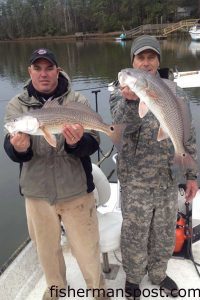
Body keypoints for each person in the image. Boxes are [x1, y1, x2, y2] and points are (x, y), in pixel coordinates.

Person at [4, 48, 110, 300]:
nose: (43, 74)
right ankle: (55, 288)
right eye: (37, 68)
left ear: (57, 70)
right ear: (29, 71)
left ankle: (98, 290)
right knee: (47, 251)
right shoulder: (17, 105)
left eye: (49, 68)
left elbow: (93, 143)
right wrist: (19, 147)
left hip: (75, 192)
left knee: (87, 249)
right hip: (37, 194)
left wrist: (75, 143)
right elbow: (11, 146)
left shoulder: (76, 101)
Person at [109, 35, 198, 299]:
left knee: (163, 234)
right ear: (133, 62)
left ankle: (158, 274)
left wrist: (191, 175)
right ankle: (133, 279)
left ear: (158, 61)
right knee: (134, 233)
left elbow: (187, 134)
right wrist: (131, 100)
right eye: (141, 57)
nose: (146, 63)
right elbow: (119, 128)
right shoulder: (120, 92)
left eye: (151, 57)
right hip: (135, 180)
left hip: (168, 178)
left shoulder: (175, 91)